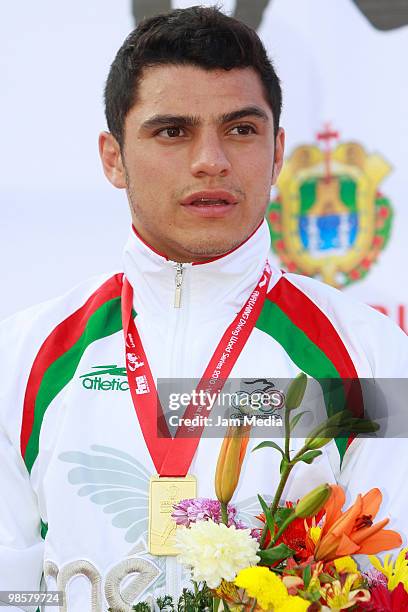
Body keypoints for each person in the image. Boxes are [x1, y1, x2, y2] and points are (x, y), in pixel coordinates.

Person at [1, 6, 407, 610]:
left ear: (277, 153)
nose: (210, 160)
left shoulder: (370, 354)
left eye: (241, 129)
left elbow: (388, 582)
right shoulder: (26, 352)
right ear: (113, 157)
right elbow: (11, 585)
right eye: (173, 131)